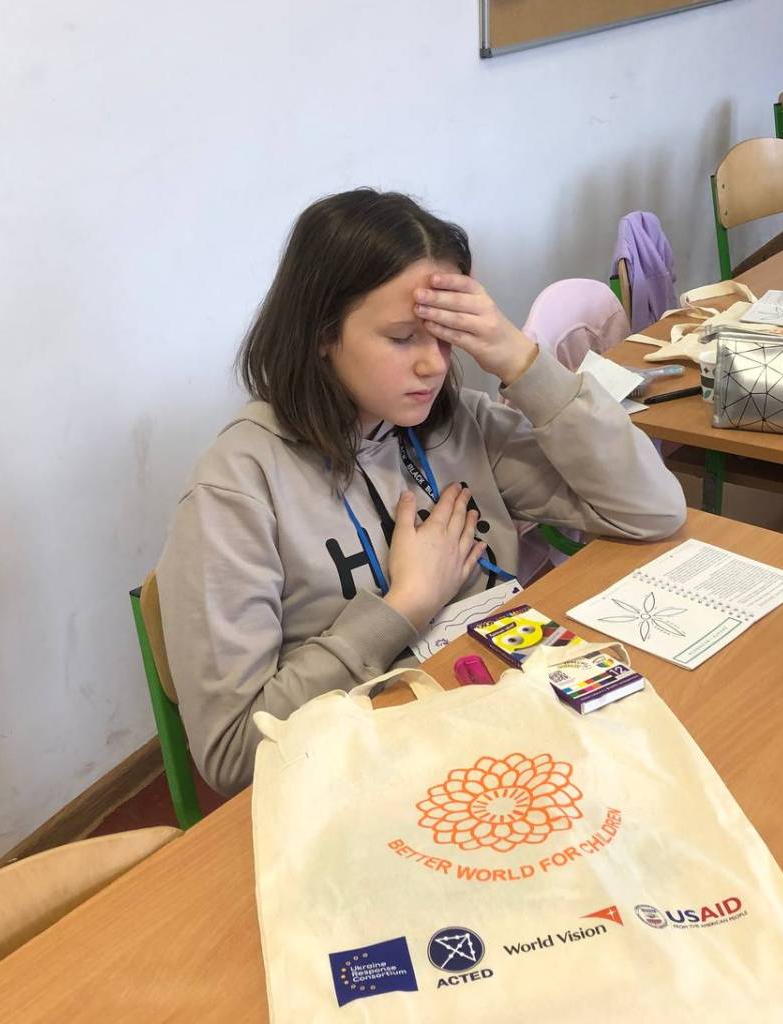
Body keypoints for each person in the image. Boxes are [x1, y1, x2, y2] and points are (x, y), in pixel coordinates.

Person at [157, 189, 686, 795]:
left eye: (445, 335)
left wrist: (521, 361)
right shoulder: (237, 489)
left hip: (495, 728)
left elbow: (653, 512)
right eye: (403, 337)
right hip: (369, 782)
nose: (435, 365)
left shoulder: (455, 422)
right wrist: (405, 605)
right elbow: (233, 757)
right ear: (320, 333)